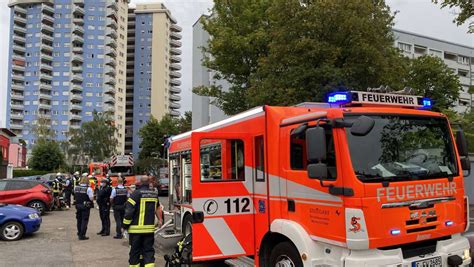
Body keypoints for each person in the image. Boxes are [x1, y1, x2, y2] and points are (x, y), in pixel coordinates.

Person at [123, 176, 163, 267]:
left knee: (135, 251)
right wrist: (160, 220)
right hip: (149, 230)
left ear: (140, 183)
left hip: (135, 230)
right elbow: (158, 208)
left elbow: (129, 212)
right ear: (149, 183)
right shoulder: (154, 194)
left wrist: (124, 225)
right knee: (148, 251)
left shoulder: (135, 194)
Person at [74, 175, 94, 240]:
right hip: (85, 206)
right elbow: (91, 198)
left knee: (79, 220)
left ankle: (79, 232)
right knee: (84, 220)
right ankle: (82, 235)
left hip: (78, 205)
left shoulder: (76, 187)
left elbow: (74, 194)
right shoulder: (88, 189)